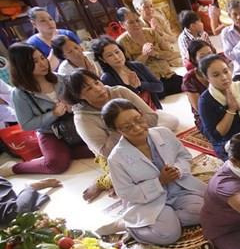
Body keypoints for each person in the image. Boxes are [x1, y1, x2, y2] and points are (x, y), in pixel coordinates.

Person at [103, 99, 205, 245]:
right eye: (127, 126)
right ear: (116, 131)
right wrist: (160, 182)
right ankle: (130, 226)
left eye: (138, 120)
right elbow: (126, 193)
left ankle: (157, 222)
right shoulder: (116, 159)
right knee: (169, 235)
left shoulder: (163, 133)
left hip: (179, 189)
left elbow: (184, 156)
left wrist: (178, 168)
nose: (137, 128)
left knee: (207, 210)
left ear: (142, 115)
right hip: (148, 201)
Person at [64, 69, 159, 202]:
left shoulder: (120, 92)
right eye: (89, 89)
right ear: (79, 96)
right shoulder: (82, 118)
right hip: (113, 153)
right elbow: (107, 151)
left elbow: (152, 119)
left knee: (164, 154)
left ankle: (119, 181)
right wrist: (120, 125)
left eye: (96, 82)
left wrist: (128, 126)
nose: (98, 89)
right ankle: (104, 181)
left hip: (141, 136)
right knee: (137, 174)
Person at [0, 44, 94, 179]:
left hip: (75, 125)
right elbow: (26, 125)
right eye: (35, 62)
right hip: (49, 132)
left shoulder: (62, 78)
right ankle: (13, 168)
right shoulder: (20, 94)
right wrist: (53, 114)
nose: (43, 63)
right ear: (22, 66)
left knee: (97, 148)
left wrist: (72, 107)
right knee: (56, 165)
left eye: (42, 58)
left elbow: (83, 102)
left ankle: (64, 152)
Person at [197, 55, 240, 161]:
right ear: (207, 78)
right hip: (228, 143)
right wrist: (231, 110)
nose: (224, 77)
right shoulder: (205, 101)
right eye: (216, 75)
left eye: (226, 71)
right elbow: (217, 135)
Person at [116, 7, 183, 97]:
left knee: (191, 84)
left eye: (137, 20)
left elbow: (171, 54)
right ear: (122, 24)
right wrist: (144, 55)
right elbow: (128, 69)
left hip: (168, 75)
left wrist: (156, 54)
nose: (136, 24)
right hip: (150, 83)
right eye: (131, 22)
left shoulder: (151, 32)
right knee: (159, 94)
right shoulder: (121, 42)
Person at [92, 36, 168, 114]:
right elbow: (118, 106)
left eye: (117, 52)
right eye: (109, 55)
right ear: (102, 59)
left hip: (154, 110)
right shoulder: (107, 79)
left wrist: (140, 85)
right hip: (132, 118)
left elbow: (159, 87)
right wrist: (133, 88)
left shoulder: (138, 66)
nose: (116, 57)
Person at [132, 0, 181, 67]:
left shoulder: (160, 20)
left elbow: (173, 39)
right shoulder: (138, 27)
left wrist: (160, 32)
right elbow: (151, 50)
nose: (150, 9)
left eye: (151, 6)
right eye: (145, 7)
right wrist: (152, 31)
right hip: (158, 60)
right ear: (138, 10)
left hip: (171, 53)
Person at [181, 40, 215, 133]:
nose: (208, 58)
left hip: (226, 110)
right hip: (206, 118)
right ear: (194, 59)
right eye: (202, 56)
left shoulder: (219, 69)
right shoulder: (189, 79)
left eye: (210, 54)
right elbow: (199, 109)